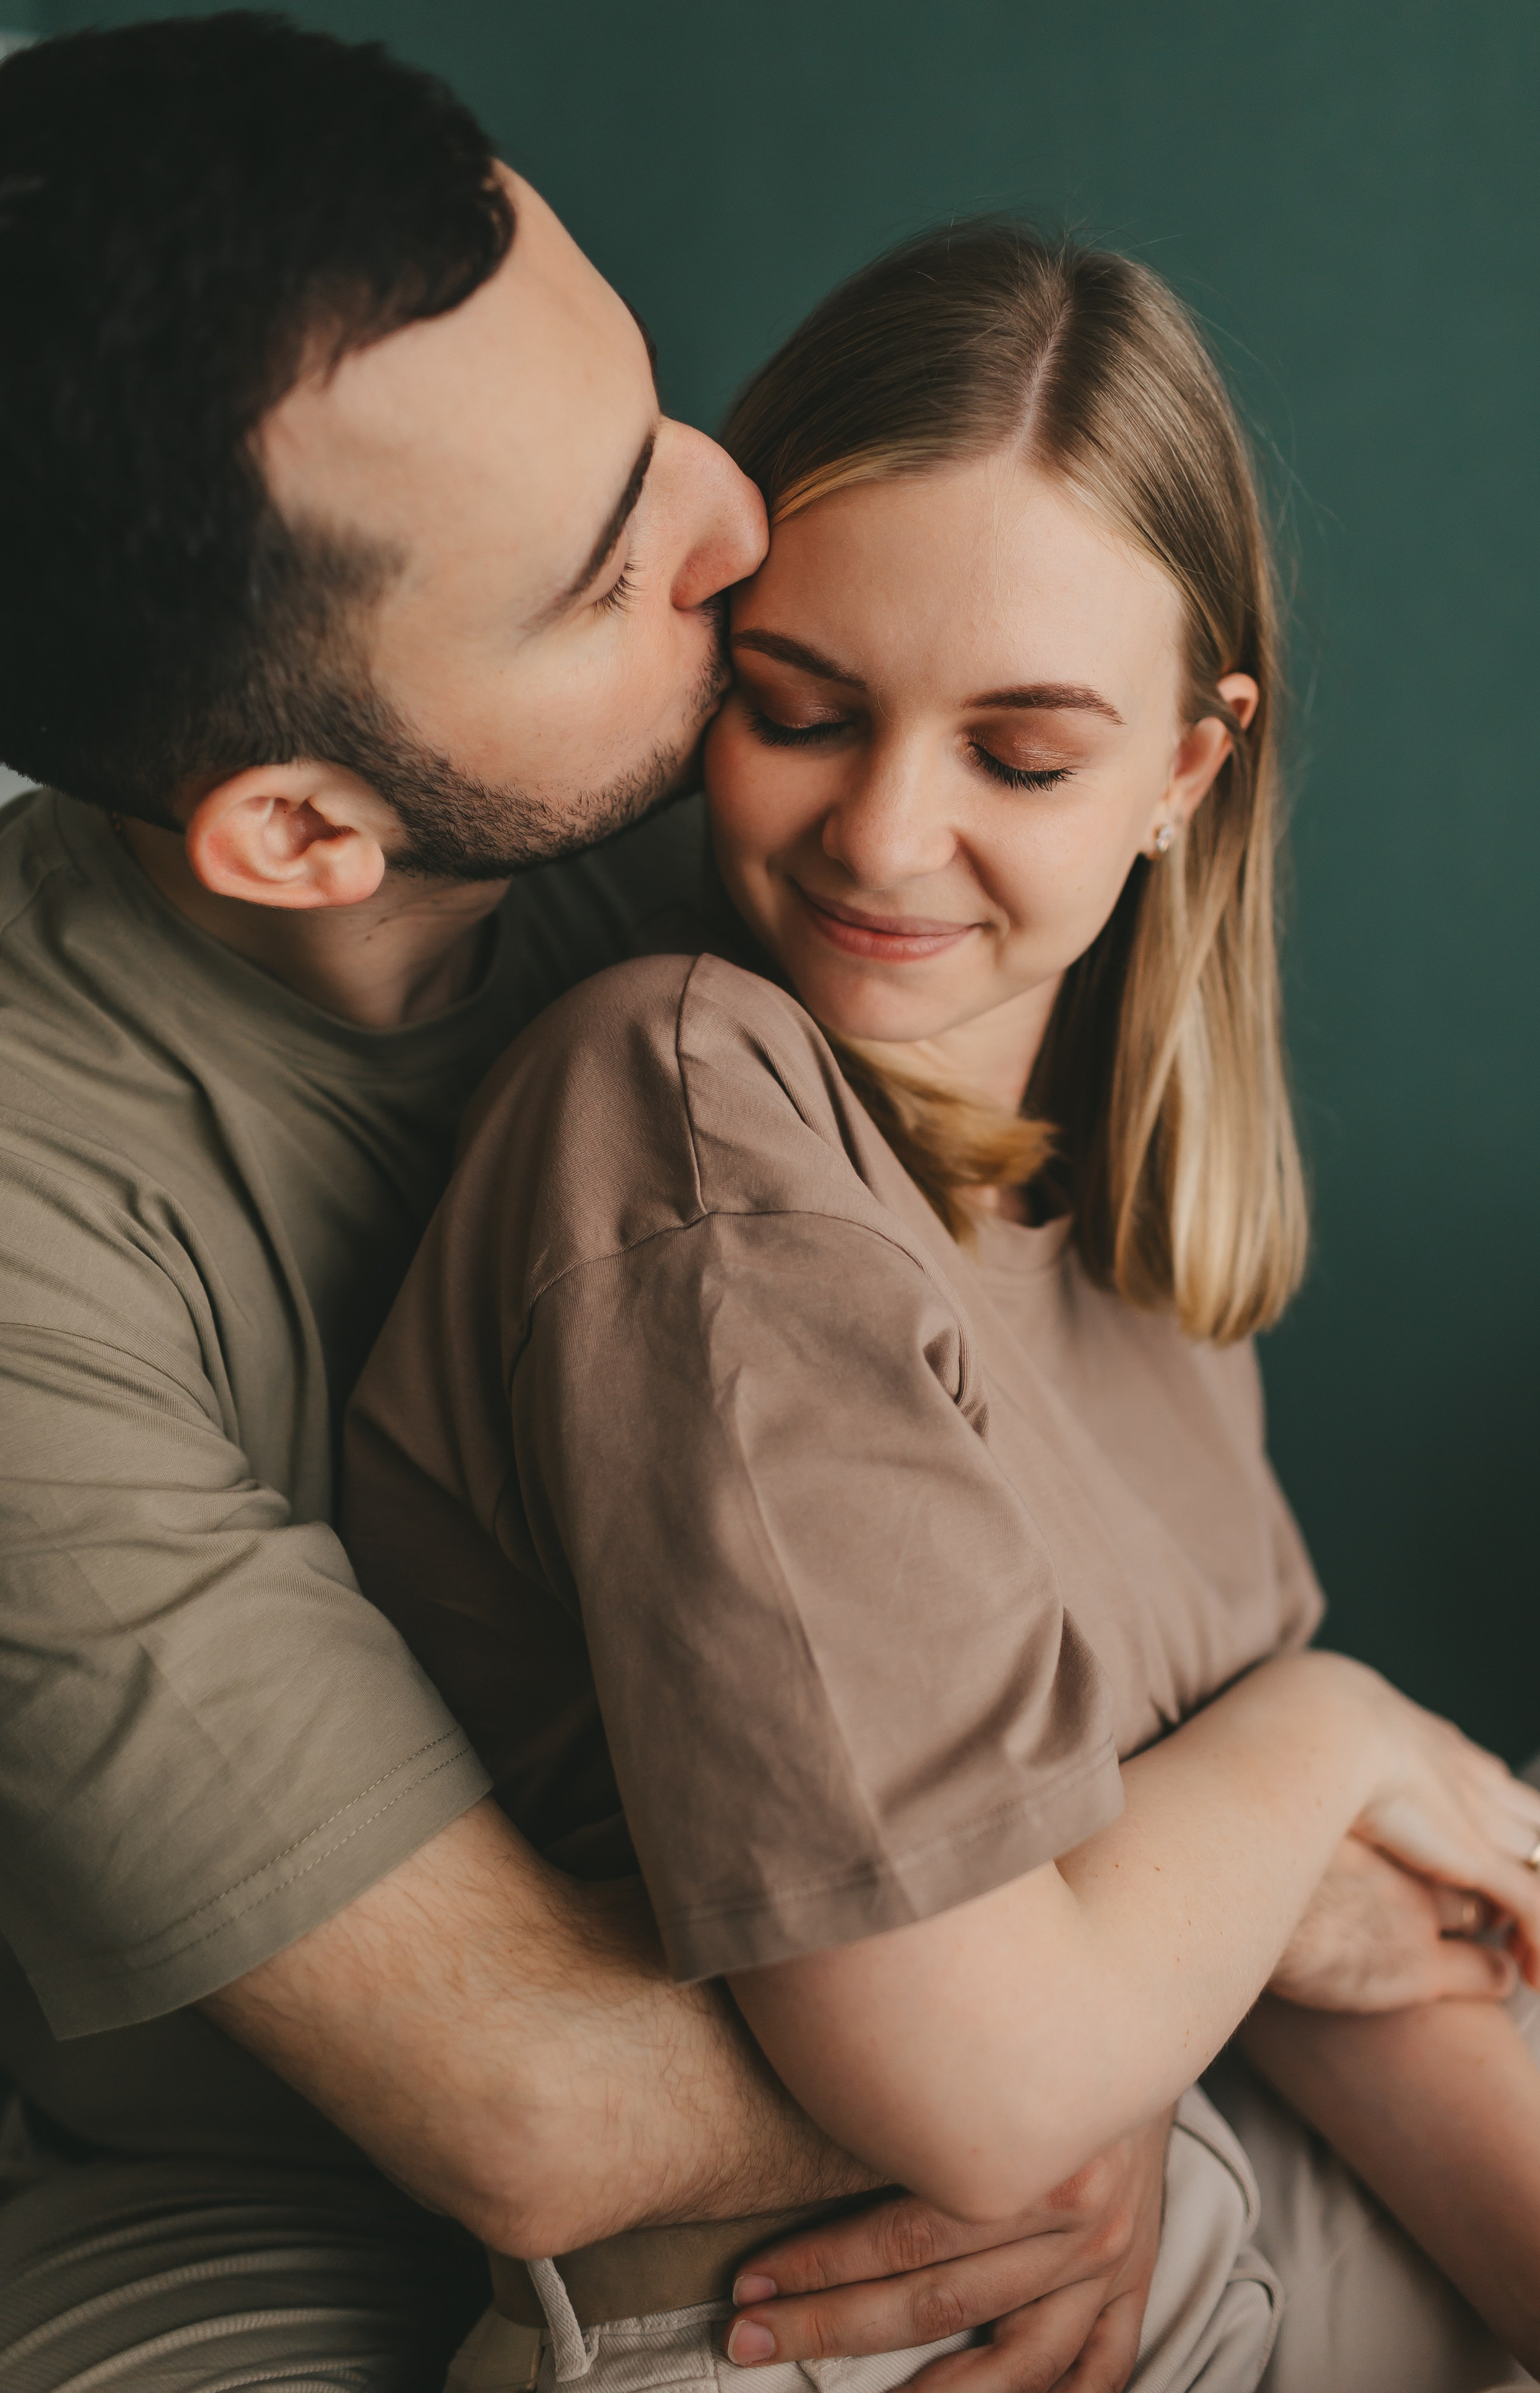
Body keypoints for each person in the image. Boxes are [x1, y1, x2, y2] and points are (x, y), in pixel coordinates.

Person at [0, 20, 1192, 2392]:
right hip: (259, 2192)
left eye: (648, 411)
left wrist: (1103, 2010)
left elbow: (1108, 1504)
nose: (735, 521)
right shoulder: (36, 1218)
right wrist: (1105, 2015)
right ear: (307, 829)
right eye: (599, 567)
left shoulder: (789, 797)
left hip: (948, 2005)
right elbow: (525, 2107)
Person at [343, 224, 1540, 2393]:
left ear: (1189, 773)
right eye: (801, 710)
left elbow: (1347, 1933)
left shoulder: (1120, 1214)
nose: (887, 836)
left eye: (1021, 757)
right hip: (872, 2331)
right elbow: (995, 2091)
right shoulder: (687, 1112)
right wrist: (1325, 1738)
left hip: (1224, 2204)